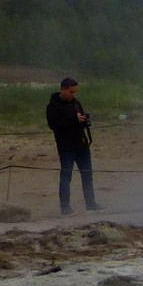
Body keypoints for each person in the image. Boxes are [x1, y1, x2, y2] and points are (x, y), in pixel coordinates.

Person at [47, 75, 100, 216]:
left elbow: (80, 120)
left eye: (75, 92)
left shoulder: (76, 103)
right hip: (66, 147)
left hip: (81, 144)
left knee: (87, 174)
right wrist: (73, 119)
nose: (73, 94)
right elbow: (53, 124)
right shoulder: (53, 106)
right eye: (71, 92)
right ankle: (65, 207)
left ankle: (91, 204)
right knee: (66, 176)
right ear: (63, 89)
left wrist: (84, 121)